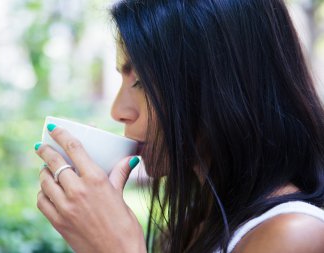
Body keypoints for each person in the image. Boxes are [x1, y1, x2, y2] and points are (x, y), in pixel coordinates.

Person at [34, 0, 324, 252]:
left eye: (142, 82)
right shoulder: (192, 226)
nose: (118, 111)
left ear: (220, 82)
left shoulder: (295, 234)